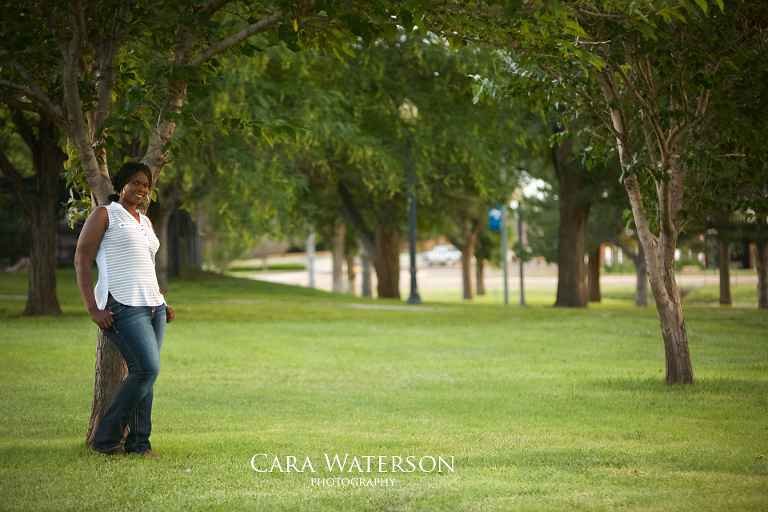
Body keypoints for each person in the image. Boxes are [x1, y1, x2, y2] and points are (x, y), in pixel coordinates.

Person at [75, 162, 175, 458]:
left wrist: (161, 299)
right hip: (121, 304)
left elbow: (147, 265)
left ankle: (139, 444)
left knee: (146, 376)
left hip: (153, 307)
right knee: (147, 369)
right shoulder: (104, 214)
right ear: (121, 185)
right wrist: (93, 309)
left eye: (145, 184)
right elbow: (82, 260)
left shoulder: (145, 221)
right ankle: (105, 440)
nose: (141, 189)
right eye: (134, 183)